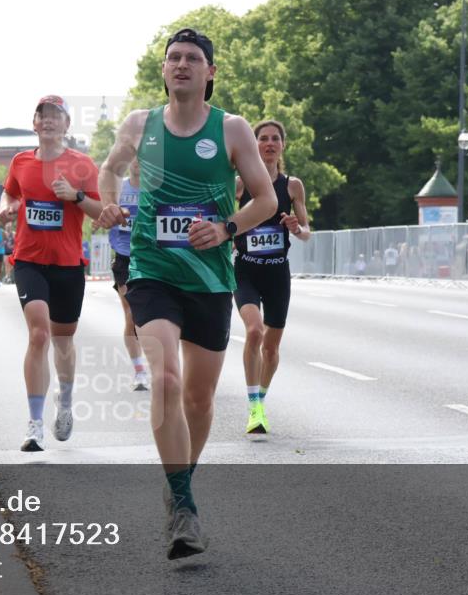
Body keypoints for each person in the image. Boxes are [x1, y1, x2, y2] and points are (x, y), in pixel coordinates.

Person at [95, 28, 276, 559]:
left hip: (212, 279)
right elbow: (108, 169)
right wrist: (109, 205)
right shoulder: (140, 124)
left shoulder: (232, 129)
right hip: (152, 272)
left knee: (199, 399)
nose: (181, 65)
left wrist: (226, 228)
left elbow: (264, 199)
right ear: (164, 69)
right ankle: (183, 504)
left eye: (192, 59)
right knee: (167, 379)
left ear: (209, 72)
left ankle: (180, 486)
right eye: (173, 58)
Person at [0, 95, 102, 453]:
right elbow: (8, 194)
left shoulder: (82, 164)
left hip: (68, 264)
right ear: (35, 123)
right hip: (28, 260)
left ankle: (65, 401)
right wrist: (7, 208)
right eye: (43, 115)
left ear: (67, 125)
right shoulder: (21, 161)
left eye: (57, 116)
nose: (49, 121)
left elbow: (101, 211)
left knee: (63, 342)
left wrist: (74, 196)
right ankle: (34, 424)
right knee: (38, 335)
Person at [233, 120, 311, 436]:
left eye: (274, 138)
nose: (268, 143)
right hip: (246, 270)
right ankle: (254, 407)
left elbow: (306, 233)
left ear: (282, 145)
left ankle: (260, 399)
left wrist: (297, 228)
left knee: (271, 349)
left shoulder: (293, 186)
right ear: (254, 145)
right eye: (262, 138)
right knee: (254, 331)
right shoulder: (239, 185)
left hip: (278, 273)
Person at [107, 159, 149, 391]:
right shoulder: (118, 188)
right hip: (124, 257)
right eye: (133, 157)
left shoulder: (155, 189)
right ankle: (139, 371)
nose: (137, 163)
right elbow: (104, 213)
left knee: (154, 315)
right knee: (131, 314)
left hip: (151, 256)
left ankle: (163, 364)